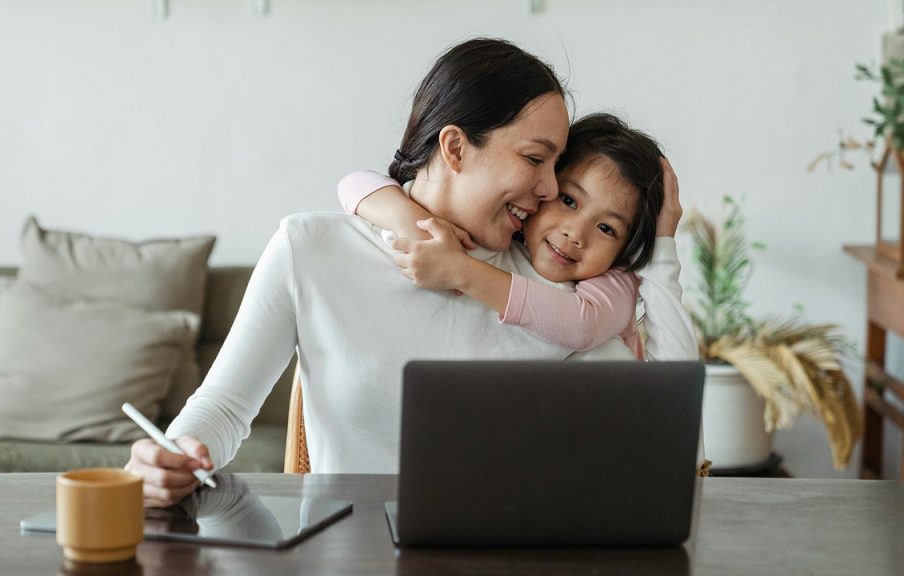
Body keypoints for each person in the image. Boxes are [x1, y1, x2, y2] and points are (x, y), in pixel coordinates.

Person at [126, 37, 695, 507]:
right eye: (534, 159)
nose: (549, 189)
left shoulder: (558, 292)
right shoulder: (312, 249)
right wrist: (171, 455)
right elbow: (224, 408)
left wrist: (663, 248)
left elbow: (664, 435)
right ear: (455, 148)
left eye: (556, 166)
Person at [336, 113, 692, 359]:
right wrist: (413, 224)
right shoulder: (504, 237)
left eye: (607, 228)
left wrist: (461, 271)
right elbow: (354, 182)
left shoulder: (615, 281)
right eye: (568, 200)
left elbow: (582, 324)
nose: (575, 234)